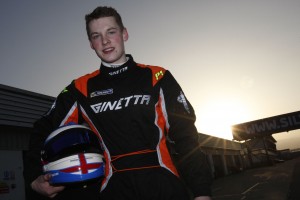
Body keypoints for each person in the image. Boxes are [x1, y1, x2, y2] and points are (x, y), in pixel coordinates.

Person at [24, 6, 213, 200]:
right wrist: (32, 178)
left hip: (165, 186)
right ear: (91, 44)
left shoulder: (158, 77)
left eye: (111, 32)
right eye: (96, 35)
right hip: (113, 190)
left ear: (124, 34)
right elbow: (43, 127)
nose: (105, 41)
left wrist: (201, 192)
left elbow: (186, 137)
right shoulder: (80, 88)